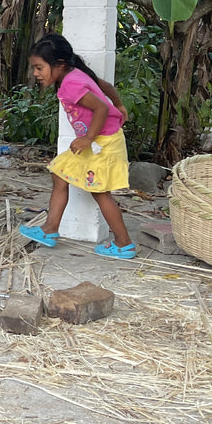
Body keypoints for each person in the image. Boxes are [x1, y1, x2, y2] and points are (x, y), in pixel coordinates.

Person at [19, 33, 135, 258]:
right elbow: (106, 86)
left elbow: (101, 108)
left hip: (103, 142)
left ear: (59, 65)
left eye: (39, 68)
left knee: (100, 193)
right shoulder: (75, 75)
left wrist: (88, 138)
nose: (35, 74)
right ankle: (50, 230)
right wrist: (119, 106)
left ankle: (124, 244)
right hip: (98, 140)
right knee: (59, 174)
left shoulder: (72, 84)